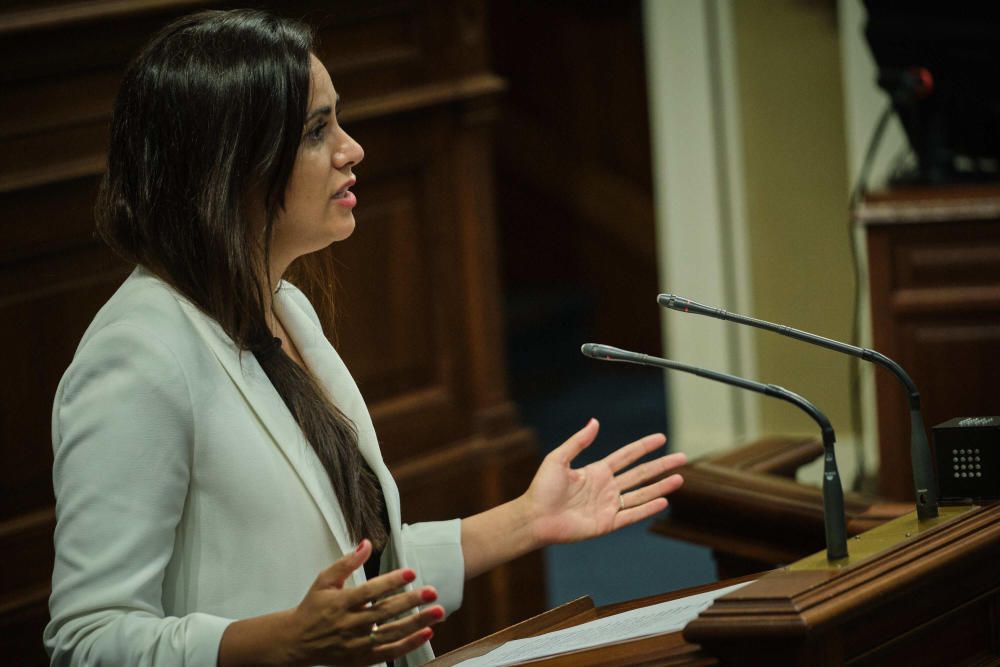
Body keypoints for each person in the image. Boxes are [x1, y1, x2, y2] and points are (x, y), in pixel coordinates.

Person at [43, 9, 687, 667]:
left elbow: (353, 570)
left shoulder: (287, 310)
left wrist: (527, 519)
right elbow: (85, 639)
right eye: (318, 130)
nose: (352, 149)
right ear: (232, 163)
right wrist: (277, 641)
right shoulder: (135, 357)